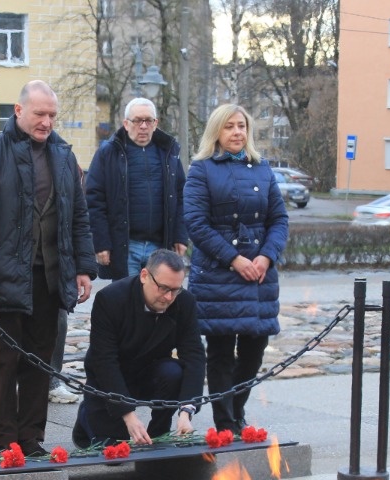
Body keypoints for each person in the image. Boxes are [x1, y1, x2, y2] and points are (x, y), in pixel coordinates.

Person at [0, 80, 97, 456]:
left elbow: (78, 217)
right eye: (39, 114)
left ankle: (31, 438)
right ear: (18, 111)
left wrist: (83, 267)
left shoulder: (65, 156)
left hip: (49, 277)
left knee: (40, 363)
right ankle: (3, 441)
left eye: (52, 115)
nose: (46, 122)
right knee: (3, 363)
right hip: (1, 278)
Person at [183, 103, 289, 433]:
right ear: (217, 131)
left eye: (241, 126)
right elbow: (196, 225)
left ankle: (238, 411)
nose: (237, 132)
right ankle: (225, 422)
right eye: (229, 126)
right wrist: (234, 259)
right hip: (219, 276)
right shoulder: (201, 170)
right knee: (221, 352)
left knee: (254, 351)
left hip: (259, 275)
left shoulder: (262, 168)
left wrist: (266, 257)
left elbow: (279, 219)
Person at [72, 249, 204, 447]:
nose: (169, 297)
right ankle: (87, 415)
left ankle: (159, 430)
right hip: (109, 377)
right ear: (144, 276)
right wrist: (128, 415)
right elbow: (104, 359)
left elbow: (194, 355)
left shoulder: (185, 302)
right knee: (113, 451)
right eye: (163, 288)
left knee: (173, 371)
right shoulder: (111, 299)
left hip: (149, 372)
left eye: (175, 290)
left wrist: (186, 411)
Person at [86, 97, 189, 281]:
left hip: (160, 246)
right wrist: (100, 242)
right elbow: (94, 200)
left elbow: (181, 196)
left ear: (155, 123)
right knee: (127, 303)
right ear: (126, 124)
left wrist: (180, 236)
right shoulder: (109, 153)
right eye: (137, 121)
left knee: (158, 303)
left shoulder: (168, 154)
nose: (143, 126)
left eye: (148, 120)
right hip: (125, 245)